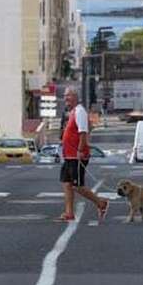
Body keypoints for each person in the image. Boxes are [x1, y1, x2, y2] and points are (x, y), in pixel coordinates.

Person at [57, 87, 109, 223]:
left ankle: (100, 203)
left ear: (75, 97)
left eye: (68, 96)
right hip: (69, 156)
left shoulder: (80, 111)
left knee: (77, 185)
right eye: (65, 96)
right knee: (67, 183)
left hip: (76, 155)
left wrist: (80, 150)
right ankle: (69, 213)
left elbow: (83, 132)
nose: (65, 98)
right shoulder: (73, 112)